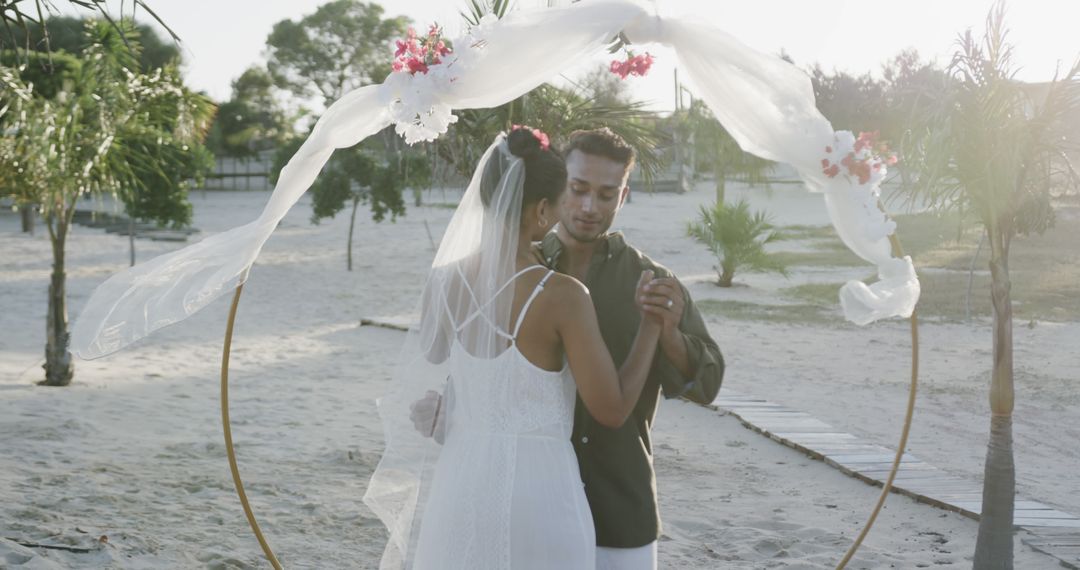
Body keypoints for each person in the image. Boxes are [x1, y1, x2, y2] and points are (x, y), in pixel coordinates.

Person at [411, 127, 725, 570]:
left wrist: (667, 331)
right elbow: (487, 373)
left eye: (605, 194)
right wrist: (451, 408)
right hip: (511, 498)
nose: (588, 206)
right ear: (555, 193)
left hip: (617, 508)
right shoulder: (524, 276)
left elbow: (707, 385)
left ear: (623, 194)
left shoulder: (653, 282)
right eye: (577, 190)